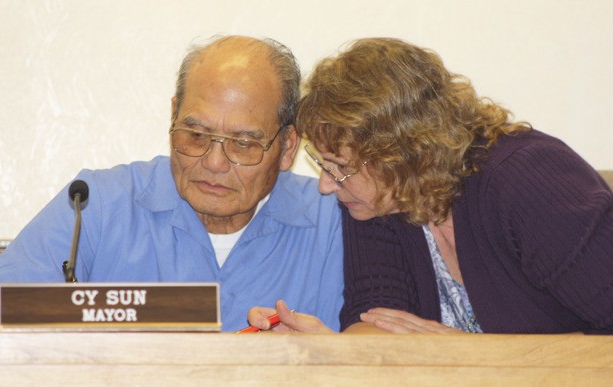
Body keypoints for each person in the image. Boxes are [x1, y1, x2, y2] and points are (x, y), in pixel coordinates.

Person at [247, 37, 613, 334]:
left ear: (400, 154)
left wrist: (480, 358)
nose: (326, 186)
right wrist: (332, 354)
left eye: (339, 167)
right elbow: (377, 319)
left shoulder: (527, 181)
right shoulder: (378, 203)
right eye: (322, 164)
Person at [0, 36, 344, 332]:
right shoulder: (96, 205)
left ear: (288, 147)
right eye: (196, 134)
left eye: (244, 144)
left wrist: (318, 364)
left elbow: (385, 349)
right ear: (172, 117)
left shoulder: (337, 222)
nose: (214, 163)